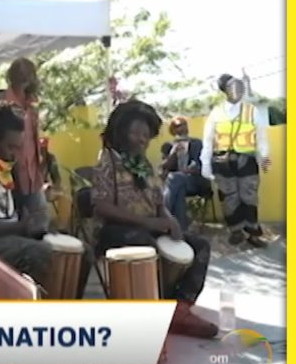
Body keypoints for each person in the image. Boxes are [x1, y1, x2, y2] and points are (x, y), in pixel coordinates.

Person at [92, 99, 218, 338]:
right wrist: (150, 223)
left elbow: (159, 204)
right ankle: (152, 307)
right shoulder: (107, 161)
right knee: (146, 244)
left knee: (200, 246)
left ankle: (179, 310)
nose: (142, 140)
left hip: (149, 228)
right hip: (115, 230)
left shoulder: (145, 165)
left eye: (146, 135)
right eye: (136, 133)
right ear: (121, 132)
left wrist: (170, 220)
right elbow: (102, 207)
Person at [0, 100, 92, 298]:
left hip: (16, 237)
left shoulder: (10, 168)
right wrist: (17, 228)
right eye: (11, 147)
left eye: (18, 147)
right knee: (39, 254)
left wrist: (38, 227)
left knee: (84, 252)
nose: (15, 154)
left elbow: (22, 213)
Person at [200, 73, 270, 248]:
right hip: (222, 162)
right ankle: (236, 231)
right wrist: (205, 164)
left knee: (249, 197)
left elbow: (262, 138)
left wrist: (264, 158)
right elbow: (208, 140)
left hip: (247, 160)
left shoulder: (252, 110)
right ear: (225, 91)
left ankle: (253, 234)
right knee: (229, 198)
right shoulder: (216, 113)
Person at [1, 58, 50, 233]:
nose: (27, 79)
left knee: (41, 226)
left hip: (33, 178)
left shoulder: (31, 106)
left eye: (29, 76)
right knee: (18, 227)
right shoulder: (2, 105)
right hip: (11, 178)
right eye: (22, 76)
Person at [160, 116, 213, 231]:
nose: (183, 128)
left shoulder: (197, 143)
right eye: (178, 126)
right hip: (177, 184)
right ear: (173, 130)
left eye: (184, 124)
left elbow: (202, 167)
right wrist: (173, 153)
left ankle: (162, 216)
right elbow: (165, 167)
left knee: (175, 178)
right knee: (179, 188)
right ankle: (181, 228)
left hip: (196, 181)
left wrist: (187, 171)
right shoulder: (168, 146)